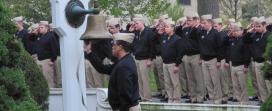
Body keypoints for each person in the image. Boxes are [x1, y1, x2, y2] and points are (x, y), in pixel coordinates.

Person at [85, 33, 140, 111]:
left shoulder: (124, 66)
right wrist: (89, 51)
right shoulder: (123, 61)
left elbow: (125, 94)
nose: (112, 46)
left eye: (113, 44)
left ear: (120, 47)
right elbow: (102, 68)